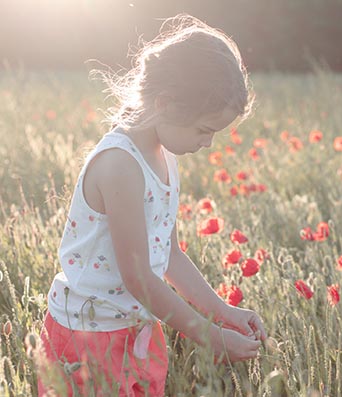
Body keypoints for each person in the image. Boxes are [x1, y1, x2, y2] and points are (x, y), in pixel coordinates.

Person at [37, 14, 267, 397]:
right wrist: (208, 336)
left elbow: (170, 256)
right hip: (88, 334)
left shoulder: (163, 156)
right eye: (204, 130)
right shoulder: (119, 165)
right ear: (165, 104)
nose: (207, 143)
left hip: (135, 326)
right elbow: (139, 276)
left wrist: (223, 312)